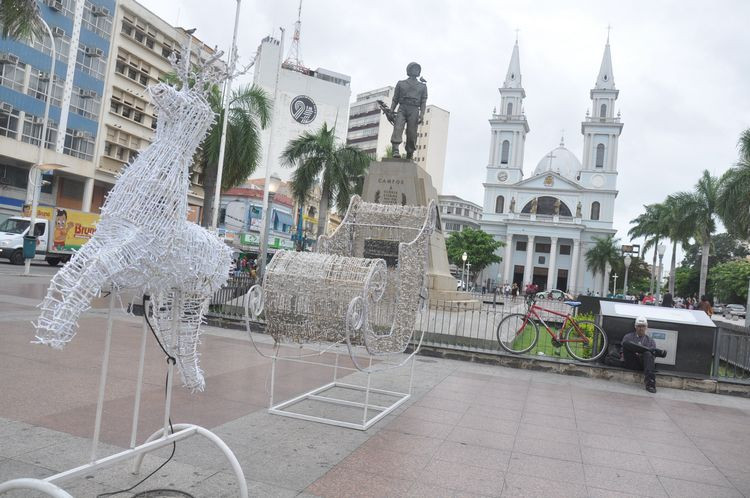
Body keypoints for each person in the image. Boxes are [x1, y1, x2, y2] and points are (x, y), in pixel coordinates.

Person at [390, 62, 428, 160]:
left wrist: (422, 114)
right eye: (414, 68)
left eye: (417, 69)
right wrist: (391, 110)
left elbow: (423, 101)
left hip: (414, 109)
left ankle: (410, 152)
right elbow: (395, 99)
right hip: (403, 107)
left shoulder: (422, 86)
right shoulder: (401, 83)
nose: (416, 70)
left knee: (412, 133)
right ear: (409, 70)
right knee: (398, 127)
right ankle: (395, 149)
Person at [621, 316, 667, 393]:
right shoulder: (628, 336)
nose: (641, 328)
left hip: (643, 364)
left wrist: (641, 353)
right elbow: (623, 353)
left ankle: (650, 384)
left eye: (643, 326)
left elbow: (651, 359)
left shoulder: (650, 341)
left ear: (646, 327)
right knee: (626, 343)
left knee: (648, 354)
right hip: (631, 362)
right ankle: (651, 350)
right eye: (639, 326)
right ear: (635, 326)